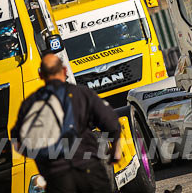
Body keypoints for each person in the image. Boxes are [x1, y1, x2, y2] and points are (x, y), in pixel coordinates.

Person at [11, 53, 121, 193]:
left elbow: (17, 141)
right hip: (88, 169)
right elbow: (110, 122)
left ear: (41, 75)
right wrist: (115, 149)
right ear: (64, 71)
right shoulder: (81, 94)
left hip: (56, 177)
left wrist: (40, 157)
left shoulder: (30, 103)